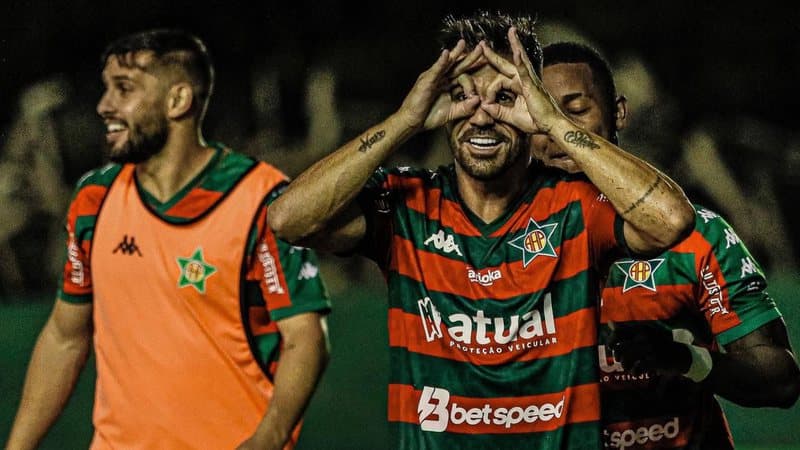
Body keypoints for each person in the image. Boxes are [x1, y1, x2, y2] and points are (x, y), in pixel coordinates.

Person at [268, 11, 695, 449]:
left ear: (532, 101)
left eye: (504, 96)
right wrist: (403, 122)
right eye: (462, 95)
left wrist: (554, 122)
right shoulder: (407, 204)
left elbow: (671, 221)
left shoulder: (573, 205)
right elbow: (287, 220)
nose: (481, 116)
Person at [5, 29, 331, 450]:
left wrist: (268, 437)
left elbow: (305, 337)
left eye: (124, 89)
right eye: (106, 89)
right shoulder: (94, 198)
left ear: (178, 101)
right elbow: (65, 336)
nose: (105, 106)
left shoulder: (260, 199)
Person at [533, 41, 800, 449]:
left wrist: (686, 359)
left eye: (575, 111)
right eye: (543, 119)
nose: (560, 135)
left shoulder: (698, 237)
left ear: (619, 112)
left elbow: (780, 380)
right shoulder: (501, 241)